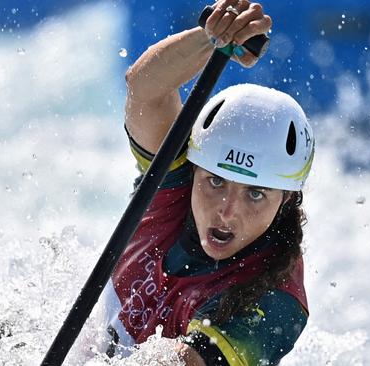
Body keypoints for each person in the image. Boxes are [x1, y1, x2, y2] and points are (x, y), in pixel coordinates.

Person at [100, 0, 315, 365]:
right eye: (215, 181)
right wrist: (210, 37)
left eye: (256, 193)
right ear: (194, 169)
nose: (227, 211)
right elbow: (145, 91)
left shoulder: (278, 299)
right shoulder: (171, 185)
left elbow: (186, 363)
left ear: (286, 200)